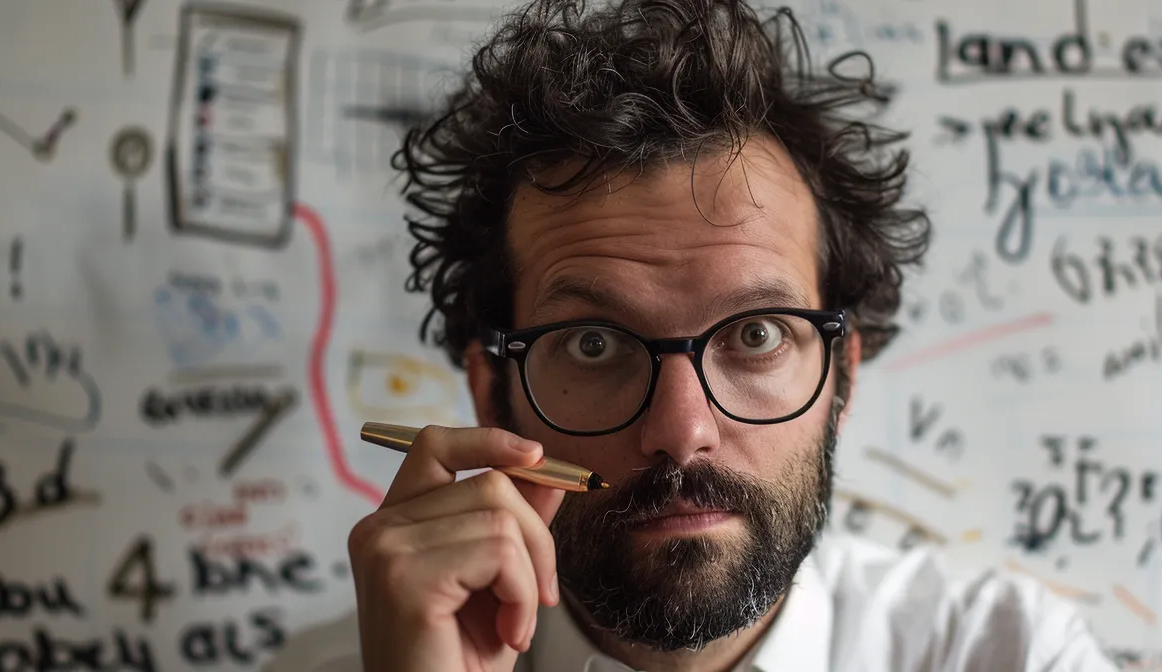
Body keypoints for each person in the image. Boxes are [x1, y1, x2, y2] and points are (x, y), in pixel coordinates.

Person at [267, 0, 1118, 669]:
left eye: (755, 333)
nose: (681, 431)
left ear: (842, 379)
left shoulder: (1004, 654)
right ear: (494, 390)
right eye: (593, 344)